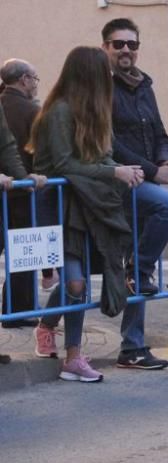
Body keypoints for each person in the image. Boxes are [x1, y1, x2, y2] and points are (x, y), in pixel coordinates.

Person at [29, 46, 143, 382]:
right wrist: (113, 174)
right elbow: (64, 165)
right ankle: (67, 349)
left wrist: (122, 168)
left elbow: (99, 157)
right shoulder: (59, 111)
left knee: (77, 282)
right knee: (75, 282)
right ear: (89, 76)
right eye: (104, 71)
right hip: (57, 205)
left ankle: (58, 338)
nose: (110, 77)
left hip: (82, 202)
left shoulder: (93, 110)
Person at [100, 18, 168, 370]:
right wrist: (154, 172)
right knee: (87, 268)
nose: (125, 51)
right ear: (105, 46)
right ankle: (50, 326)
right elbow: (109, 143)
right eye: (118, 44)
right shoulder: (99, 87)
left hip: (142, 187)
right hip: (112, 190)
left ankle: (132, 346)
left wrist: (167, 159)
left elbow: (160, 132)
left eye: (131, 45)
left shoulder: (144, 86)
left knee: (138, 273)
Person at [0, 58, 48, 329]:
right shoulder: (32, 110)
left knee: (22, 253)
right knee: (24, 254)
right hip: (18, 194)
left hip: (13, 186)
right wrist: (26, 178)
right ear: (24, 79)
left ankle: (16, 311)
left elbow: (7, 145)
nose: (36, 84)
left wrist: (20, 176)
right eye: (35, 78)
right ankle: (18, 310)